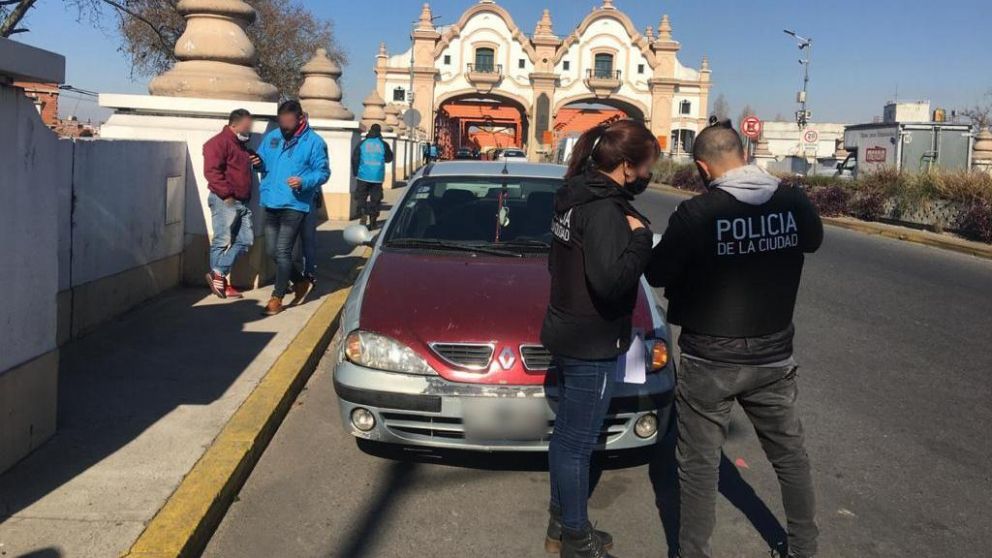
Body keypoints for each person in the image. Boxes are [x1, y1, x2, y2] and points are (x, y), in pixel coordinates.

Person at [645, 121, 823, 558]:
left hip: (711, 359)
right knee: (790, 458)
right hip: (774, 356)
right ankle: (804, 548)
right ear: (745, 153)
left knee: (699, 465)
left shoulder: (697, 214)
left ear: (703, 168)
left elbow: (656, 272)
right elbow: (813, 241)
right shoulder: (792, 201)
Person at [540, 120, 659, 558]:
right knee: (577, 443)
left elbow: (558, 265)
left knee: (566, 438)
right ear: (627, 167)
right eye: (646, 167)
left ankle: (561, 523)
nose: (648, 176)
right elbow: (612, 282)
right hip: (591, 340)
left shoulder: (574, 194)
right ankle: (577, 539)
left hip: (567, 329)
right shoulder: (606, 211)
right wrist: (642, 239)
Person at [255, 100, 330, 316]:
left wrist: (304, 181)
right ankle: (299, 280)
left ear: (300, 119)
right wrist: (257, 163)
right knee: (271, 251)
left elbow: (323, 172)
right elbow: (263, 161)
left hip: (296, 203)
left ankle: (277, 297)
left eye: (288, 121)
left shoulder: (314, 142)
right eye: (281, 121)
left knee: (282, 250)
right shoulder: (273, 137)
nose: (284, 125)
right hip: (271, 200)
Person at [203, 108, 259, 299]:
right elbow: (211, 172)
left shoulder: (242, 146)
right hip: (224, 200)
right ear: (234, 124)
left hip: (241, 202)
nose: (249, 128)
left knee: (245, 240)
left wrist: (257, 161)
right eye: (247, 124)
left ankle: (218, 272)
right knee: (222, 241)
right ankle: (221, 283)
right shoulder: (218, 143)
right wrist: (227, 195)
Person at [351, 123, 393, 229]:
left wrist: (356, 172)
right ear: (379, 132)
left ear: (370, 131)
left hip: (363, 175)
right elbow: (389, 159)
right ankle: (373, 220)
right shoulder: (383, 144)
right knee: (375, 199)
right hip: (377, 177)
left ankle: (363, 213)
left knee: (361, 197)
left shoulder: (362, 143)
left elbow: (355, 158)